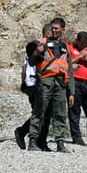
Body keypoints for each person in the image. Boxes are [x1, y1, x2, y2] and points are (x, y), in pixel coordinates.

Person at [29, 16, 74, 153]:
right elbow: (31, 60)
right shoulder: (41, 43)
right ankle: (32, 141)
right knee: (39, 112)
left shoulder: (65, 47)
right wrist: (37, 52)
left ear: (63, 30)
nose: (53, 31)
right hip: (45, 83)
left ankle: (60, 143)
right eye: (52, 28)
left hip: (60, 85)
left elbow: (70, 71)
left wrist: (71, 92)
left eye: (56, 29)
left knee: (60, 113)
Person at [14, 37, 40, 150]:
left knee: (39, 113)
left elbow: (24, 69)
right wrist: (24, 83)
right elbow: (25, 69)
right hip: (33, 86)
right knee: (38, 113)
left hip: (32, 85)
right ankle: (23, 131)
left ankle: (26, 133)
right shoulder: (34, 55)